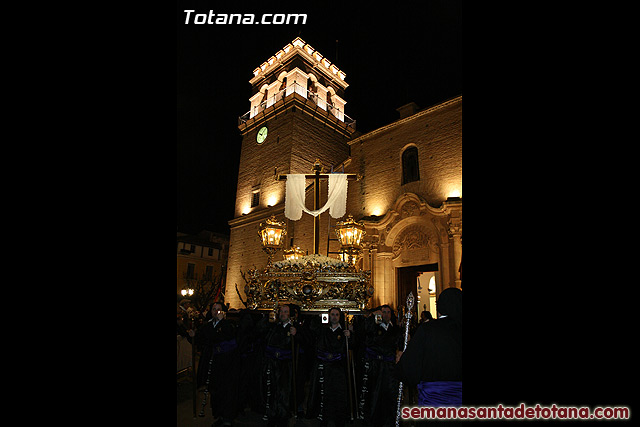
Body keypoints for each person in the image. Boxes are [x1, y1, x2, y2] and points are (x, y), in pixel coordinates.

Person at [395, 287, 462, 407]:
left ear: (439, 308)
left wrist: (401, 364)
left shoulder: (428, 329)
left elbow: (410, 369)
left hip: (435, 402)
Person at [257, 304, 309, 427]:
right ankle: (272, 415)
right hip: (272, 364)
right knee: (272, 390)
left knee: (284, 392)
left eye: (285, 312)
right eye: (281, 312)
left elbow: (306, 342)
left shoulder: (294, 328)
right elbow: (261, 334)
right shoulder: (274, 327)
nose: (282, 314)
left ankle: (283, 416)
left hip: (286, 366)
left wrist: (296, 335)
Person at [194, 301, 239, 427]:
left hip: (227, 362)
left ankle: (228, 416)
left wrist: (222, 322)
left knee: (227, 389)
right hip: (213, 361)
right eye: (214, 309)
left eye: (219, 309)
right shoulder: (208, 325)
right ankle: (218, 414)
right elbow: (202, 339)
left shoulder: (229, 324)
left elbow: (226, 336)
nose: (216, 311)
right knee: (216, 389)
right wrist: (192, 335)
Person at [307, 307, 353, 427]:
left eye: (336, 315)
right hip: (324, 367)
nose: (334, 317)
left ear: (340, 317)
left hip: (338, 369)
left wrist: (350, 336)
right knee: (324, 394)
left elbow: (353, 346)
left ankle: (339, 418)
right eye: (332, 314)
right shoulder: (322, 330)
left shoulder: (343, 332)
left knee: (338, 394)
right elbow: (311, 329)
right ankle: (324, 417)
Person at [359, 304, 403, 427]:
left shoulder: (396, 330)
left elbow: (399, 344)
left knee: (389, 394)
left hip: (389, 367)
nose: (386, 314)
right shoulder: (373, 328)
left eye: (388, 312)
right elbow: (366, 334)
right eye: (383, 312)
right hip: (376, 366)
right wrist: (372, 316)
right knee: (374, 394)